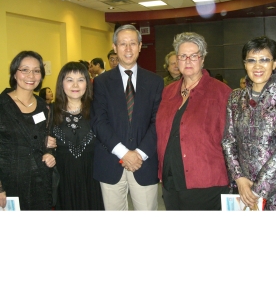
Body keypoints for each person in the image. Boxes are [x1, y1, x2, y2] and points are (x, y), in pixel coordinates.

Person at [222, 36, 276, 210]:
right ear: (245, 64)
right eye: (251, 60)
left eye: (264, 60)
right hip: (242, 188)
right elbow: (229, 141)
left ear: (275, 63)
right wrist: (239, 179)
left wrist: (257, 191)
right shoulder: (236, 98)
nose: (257, 66)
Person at [91, 24, 164, 210]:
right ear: (115, 48)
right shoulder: (101, 82)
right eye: (123, 44)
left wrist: (138, 155)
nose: (128, 49)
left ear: (140, 46)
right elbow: (99, 121)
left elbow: (158, 122)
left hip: (144, 162)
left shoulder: (155, 81)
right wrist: (124, 153)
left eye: (133, 43)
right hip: (111, 160)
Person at [156, 32, 232, 210]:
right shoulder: (168, 92)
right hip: (171, 181)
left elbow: (232, 139)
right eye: (182, 56)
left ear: (203, 59)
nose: (187, 61)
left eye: (194, 56)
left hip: (206, 184)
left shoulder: (221, 93)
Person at [0, 50, 56, 210]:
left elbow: (46, 140)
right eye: (24, 70)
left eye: (36, 71)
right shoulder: (2, 105)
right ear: (15, 74)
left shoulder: (44, 107)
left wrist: (49, 152)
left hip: (40, 181)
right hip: (10, 183)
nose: (31, 76)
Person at [51, 62, 104, 210]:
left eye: (81, 80)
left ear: (87, 83)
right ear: (61, 83)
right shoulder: (50, 111)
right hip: (63, 179)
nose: (75, 85)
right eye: (69, 80)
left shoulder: (98, 110)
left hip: (93, 179)